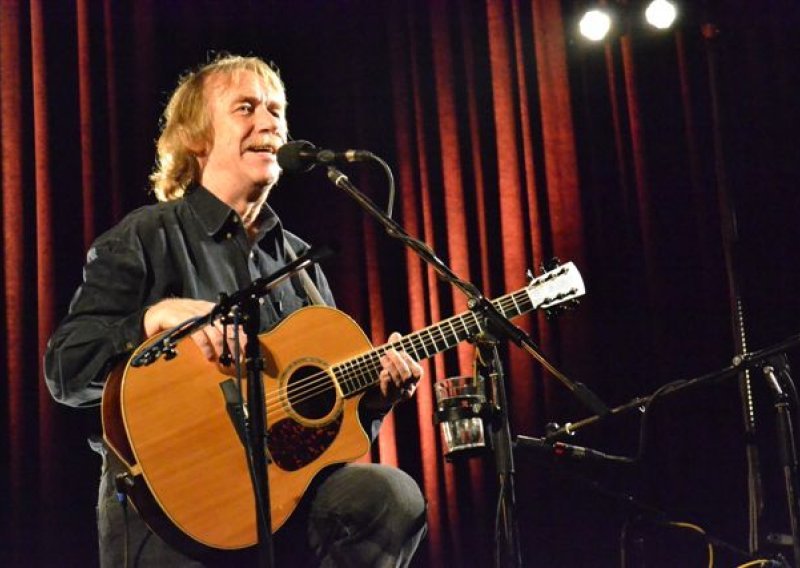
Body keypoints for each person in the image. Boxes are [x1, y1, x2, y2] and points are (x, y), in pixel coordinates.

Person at [44, 53, 427, 567]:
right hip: (175, 507)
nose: (270, 123)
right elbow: (66, 368)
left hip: (284, 505)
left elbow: (323, 423)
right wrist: (156, 317)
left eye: (276, 110)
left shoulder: (300, 263)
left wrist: (374, 400)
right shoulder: (146, 236)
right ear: (196, 137)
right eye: (246, 108)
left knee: (389, 496)